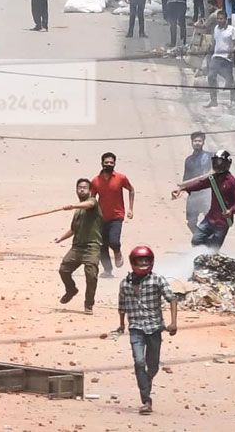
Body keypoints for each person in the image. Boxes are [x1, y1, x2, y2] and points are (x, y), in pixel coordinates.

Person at [112, 245, 178, 415]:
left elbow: (172, 299)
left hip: (154, 328)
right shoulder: (125, 284)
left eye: (146, 261)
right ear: (133, 262)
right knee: (139, 362)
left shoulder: (157, 280)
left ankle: (145, 381)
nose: (143, 264)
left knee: (153, 366)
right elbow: (122, 306)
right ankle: (146, 400)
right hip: (136, 329)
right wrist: (121, 325)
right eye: (140, 261)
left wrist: (173, 323)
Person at [172, 150, 235, 251]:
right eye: (216, 162)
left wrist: (231, 211)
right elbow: (200, 184)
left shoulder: (232, 182)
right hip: (210, 218)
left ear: (226, 163)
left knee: (213, 249)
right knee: (196, 240)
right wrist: (183, 189)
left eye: (220, 162)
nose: (217, 165)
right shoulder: (212, 179)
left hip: (223, 223)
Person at [53, 178, 103, 315]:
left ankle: (89, 304)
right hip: (77, 247)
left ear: (90, 190)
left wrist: (73, 206)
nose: (82, 189)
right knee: (64, 270)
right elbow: (73, 229)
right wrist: (61, 238)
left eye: (85, 187)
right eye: (79, 187)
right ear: (76, 189)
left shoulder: (92, 202)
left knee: (91, 275)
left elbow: (88, 204)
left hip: (92, 247)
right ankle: (71, 290)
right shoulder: (78, 211)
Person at [89, 152, 135, 278]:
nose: (109, 164)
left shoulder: (121, 178)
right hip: (101, 217)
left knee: (114, 241)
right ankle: (107, 270)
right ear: (102, 163)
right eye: (106, 162)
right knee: (102, 246)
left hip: (117, 215)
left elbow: (131, 189)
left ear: (114, 164)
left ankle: (117, 252)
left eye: (111, 162)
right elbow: (92, 198)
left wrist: (130, 209)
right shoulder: (95, 181)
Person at [206, 11, 235, 107]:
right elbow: (214, 41)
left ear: (226, 19)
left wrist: (232, 51)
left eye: (221, 18)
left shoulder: (231, 30)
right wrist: (210, 49)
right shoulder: (216, 29)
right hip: (216, 57)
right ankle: (213, 100)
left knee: (229, 80)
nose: (219, 20)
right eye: (218, 18)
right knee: (211, 76)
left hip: (227, 58)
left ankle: (233, 100)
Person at [182, 131, 212, 234]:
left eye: (199, 141)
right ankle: (201, 239)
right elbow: (185, 178)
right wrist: (181, 189)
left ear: (203, 142)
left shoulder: (210, 156)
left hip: (207, 194)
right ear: (192, 142)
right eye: (195, 141)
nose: (197, 143)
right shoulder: (188, 160)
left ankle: (210, 243)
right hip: (193, 195)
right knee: (191, 222)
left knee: (211, 220)